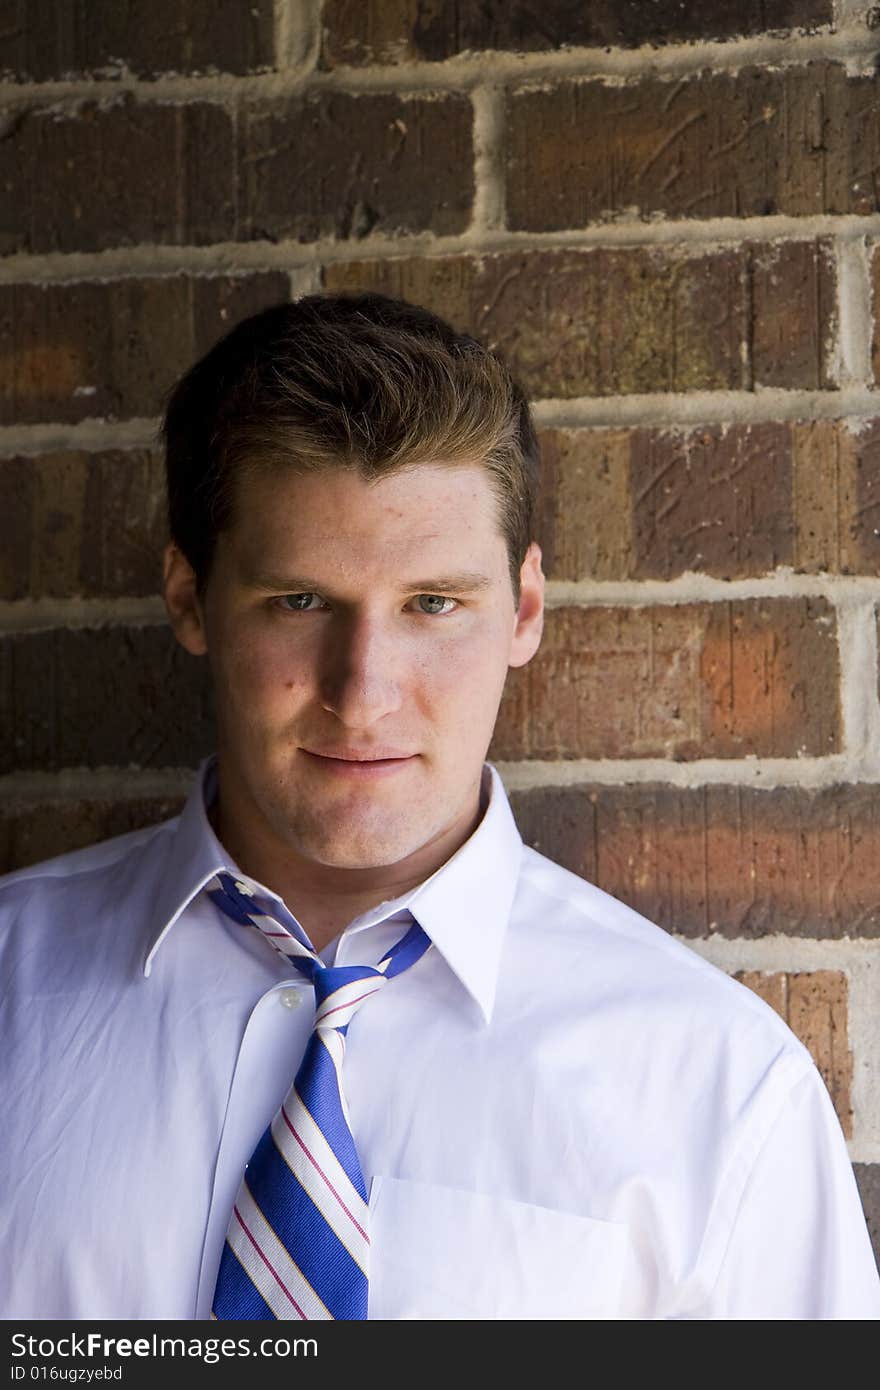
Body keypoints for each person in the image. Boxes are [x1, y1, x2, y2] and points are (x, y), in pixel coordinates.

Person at [1, 292, 878, 1322]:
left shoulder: (717, 1085)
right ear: (190, 598)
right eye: (300, 601)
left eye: (433, 604)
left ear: (526, 609)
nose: (364, 690)